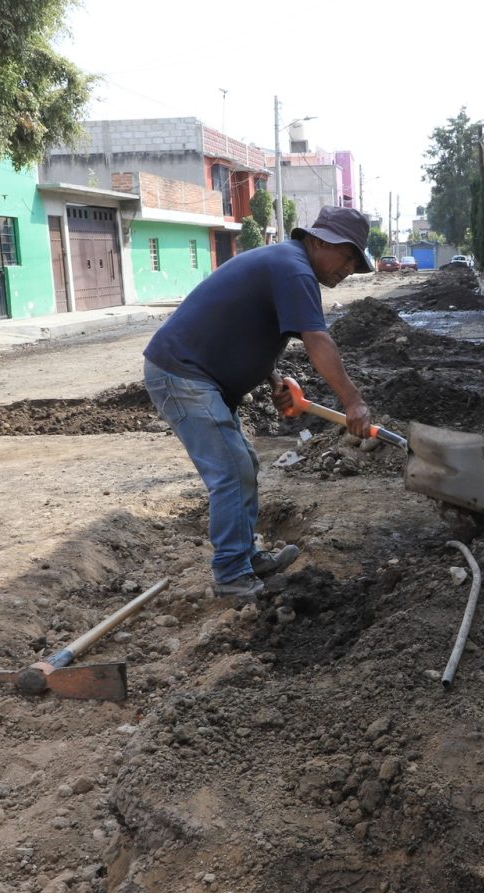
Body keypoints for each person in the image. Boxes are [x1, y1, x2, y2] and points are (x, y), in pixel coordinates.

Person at [144, 205, 376, 599]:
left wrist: (271, 376)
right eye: (348, 254)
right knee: (231, 472)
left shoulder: (288, 264)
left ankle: (245, 558)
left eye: (356, 260)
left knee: (243, 465)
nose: (350, 267)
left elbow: (245, 324)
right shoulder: (295, 268)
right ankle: (231, 576)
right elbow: (317, 339)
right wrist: (353, 401)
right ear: (319, 241)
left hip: (198, 377)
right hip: (182, 374)